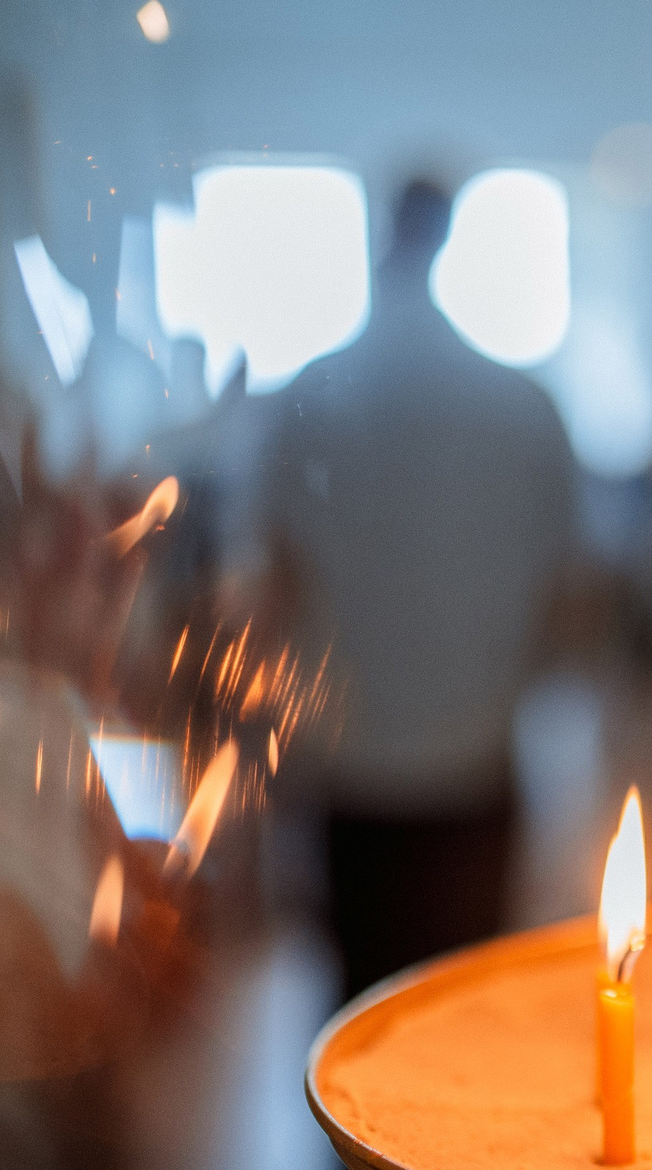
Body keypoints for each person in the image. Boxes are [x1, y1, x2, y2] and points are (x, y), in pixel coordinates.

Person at [261, 177, 578, 1000]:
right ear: (449, 238)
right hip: (473, 757)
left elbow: (274, 585)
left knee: (359, 1012)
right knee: (465, 1005)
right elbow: (569, 595)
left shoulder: (309, 398)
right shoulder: (522, 404)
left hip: (353, 764)